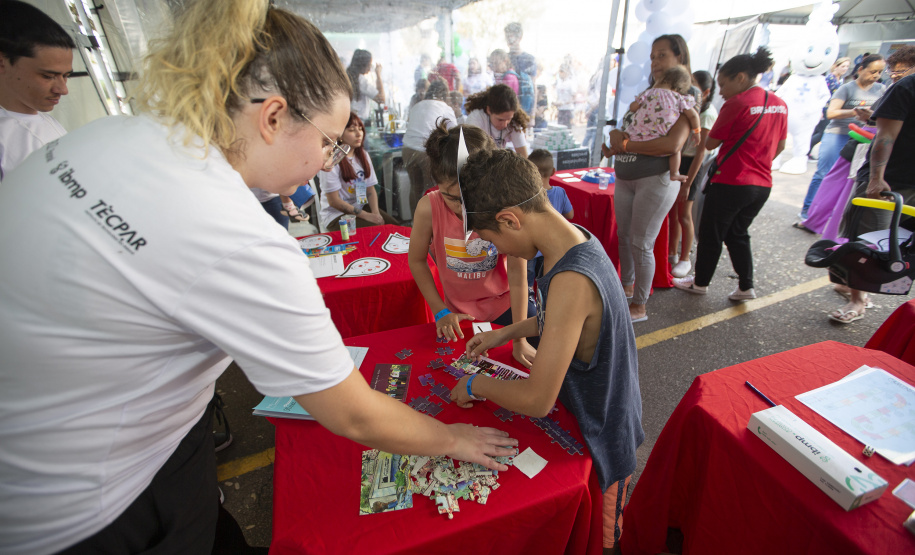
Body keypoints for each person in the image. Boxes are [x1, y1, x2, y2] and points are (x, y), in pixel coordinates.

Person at [0, 3, 518, 553]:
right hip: (91, 506)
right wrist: (450, 438)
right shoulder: (235, 233)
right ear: (272, 118)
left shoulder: (98, 136)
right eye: (328, 142)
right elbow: (353, 413)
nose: (327, 163)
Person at [448, 148, 643, 553]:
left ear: (509, 220)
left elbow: (537, 400)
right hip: (592, 414)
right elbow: (563, 321)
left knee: (603, 541)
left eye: (492, 239)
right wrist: (507, 334)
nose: (499, 253)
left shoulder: (571, 277)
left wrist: (475, 384)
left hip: (604, 434)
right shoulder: (574, 239)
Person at [407, 123, 535, 367]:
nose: (462, 206)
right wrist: (440, 310)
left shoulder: (502, 205)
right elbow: (416, 259)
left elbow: (519, 275)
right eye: (452, 198)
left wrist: (519, 337)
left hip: (507, 309)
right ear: (437, 185)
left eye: (469, 195)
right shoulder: (429, 207)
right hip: (459, 315)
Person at [674, 48, 787, 301]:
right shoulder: (779, 104)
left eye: (724, 84)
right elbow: (780, 146)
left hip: (731, 181)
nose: (721, 91)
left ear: (741, 78)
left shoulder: (737, 103)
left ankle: (700, 283)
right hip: (762, 184)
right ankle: (746, 286)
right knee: (738, 232)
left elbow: (711, 143)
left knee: (711, 233)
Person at [602, 34, 694, 323]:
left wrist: (626, 144)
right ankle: (626, 288)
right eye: (652, 56)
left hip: (655, 178)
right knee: (626, 237)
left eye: (662, 55)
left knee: (642, 243)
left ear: (680, 58)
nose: (655, 62)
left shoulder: (685, 96)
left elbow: (671, 145)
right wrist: (618, 137)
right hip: (626, 174)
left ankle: (639, 306)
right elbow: (623, 130)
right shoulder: (649, 93)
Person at [827, 64, 915, 324]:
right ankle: (857, 298)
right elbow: (885, 136)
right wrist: (876, 178)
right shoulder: (907, 87)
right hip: (889, 180)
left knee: (905, 247)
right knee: (867, 241)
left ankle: (852, 282)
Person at [799, 54, 885, 220]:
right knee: (824, 174)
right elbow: (831, 113)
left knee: (849, 180)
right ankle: (808, 212)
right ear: (861, 69)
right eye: (872, 71)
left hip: (862, 139)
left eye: (880, 72)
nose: (876, 75)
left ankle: (831, 216)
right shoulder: (846, 88)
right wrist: (854, 112)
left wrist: (871, 115)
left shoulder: (881, 90)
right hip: (838, 134)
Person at [0, 0, 75, 182]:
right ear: (2, 63)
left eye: (65, 76)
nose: (62, 89)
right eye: (48, 76)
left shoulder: (45, 121)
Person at [668, 70, 719, 278]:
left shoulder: (707, 114)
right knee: (672, 212)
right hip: (677, 159)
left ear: (705, 92)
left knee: (684, 215)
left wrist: (688, 183)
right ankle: (671, 253)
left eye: (695, 86)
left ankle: (685, 258)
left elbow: (700, 153)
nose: (690, 90)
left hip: (692, 165)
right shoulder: (684, 108)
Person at [318, 112, 398, 231]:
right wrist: (366, 216)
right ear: (339, 134)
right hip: (336, 216)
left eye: (360, 129)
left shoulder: (363, 155)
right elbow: (334, 201)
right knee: (378, 230)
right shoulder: (331, 160)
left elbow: (370, 188)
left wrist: (376, 213)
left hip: (361, 208)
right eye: (351, 130)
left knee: (395, 226)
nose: (358, 134)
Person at [626, 65, 700, 185]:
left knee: (624, 136)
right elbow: (693, 115)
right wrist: (697, 131)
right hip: (660, 138)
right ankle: (674, 173)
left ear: (661, 79)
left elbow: (633, 108)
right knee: (676, 151)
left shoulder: (648, 92)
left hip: (637, 135)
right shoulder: (679, 98)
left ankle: (611, 151)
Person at [402, 79, 456, 216]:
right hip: (426, 152)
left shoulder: (418, 105)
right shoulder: (445, 108)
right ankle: (430, 226)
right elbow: (455, 134)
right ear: (445, 94)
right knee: (431, 190)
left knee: (415, 188)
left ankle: (414, 224)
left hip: (407, 149)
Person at [464, 84, 530, 158]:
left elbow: (524, 156)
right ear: (489, 110)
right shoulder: (476, 118)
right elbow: (471, 156)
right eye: (500, 119)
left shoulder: (515, 122)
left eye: (508, 119)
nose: (505, 124)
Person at [808, 57, 851, 158]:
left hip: (830, 109)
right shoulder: (830, 79)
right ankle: (805, 152)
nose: (845, 69)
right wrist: (820, 109)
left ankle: (805, 151)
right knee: (821, 132)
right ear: (836, 67)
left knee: (817, 131)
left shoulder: (839, 80)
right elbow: (822, 95)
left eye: (847, 67)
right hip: (825, 109)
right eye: (843, 66)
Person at [347, 48, 385, 124]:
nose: (371, 66)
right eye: (370, 64)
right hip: (359, 120)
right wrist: (378, 74)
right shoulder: (360, 80)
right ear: (364, 65)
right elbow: (381, 99)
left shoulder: (349, 77)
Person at [555, 63, 576, 128]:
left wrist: (564, 103)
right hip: (560, 110)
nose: (560, 73)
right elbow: (558, 96)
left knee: (567, 129)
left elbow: (574, 97)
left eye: (562, 71)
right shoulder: (559, 82)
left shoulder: (570, 83)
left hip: (568, 109)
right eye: (560, 71)